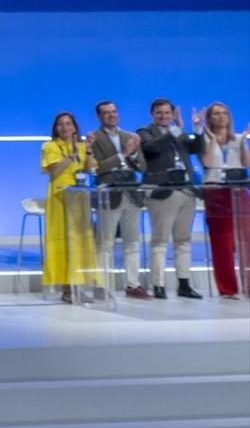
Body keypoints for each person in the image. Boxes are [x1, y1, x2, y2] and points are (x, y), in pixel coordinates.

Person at [85, 100, 150, 299]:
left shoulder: (130, 137)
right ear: (99, 116)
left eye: (113, 112)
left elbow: (142, 167)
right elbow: (96, 168)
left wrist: (132, 156)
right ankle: (101, 285)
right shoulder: (92, 139)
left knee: (132, 242)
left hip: (131, 193)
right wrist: (123, 154)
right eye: (106, 113)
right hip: (108, 194)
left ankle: (133, 285)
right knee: (105, 243)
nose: (111, 115)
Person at [140, 98, 203, 299]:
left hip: (185, 190)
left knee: (183, 240)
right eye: (159, 113)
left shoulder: (178, 132)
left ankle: (184, 284)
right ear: (152, 114)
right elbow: (153, 148)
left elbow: (195, 148)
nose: (164, 116)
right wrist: (175, 130)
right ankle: (157, 285)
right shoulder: (145, 132)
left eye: (167, 113)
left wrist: (197, 128)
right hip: (162, 192)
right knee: (160, 240)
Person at [40, 112, 98, 303]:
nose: (64, 127)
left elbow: (90, 169)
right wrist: (71, 156)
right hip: (59, 197)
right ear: (55, 128)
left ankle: (79, 284)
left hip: (79, 197)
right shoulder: (50, 146)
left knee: (80, 241)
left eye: (68, 124)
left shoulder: (82, 146)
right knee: (64, 242)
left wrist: (88, 150)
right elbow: (54, 172)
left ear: (75, 127)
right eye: (60, 124)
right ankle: (66, 287)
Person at [196, 102, 249, 299]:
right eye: (216, 114)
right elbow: (208, 163)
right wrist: (211, 141)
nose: (221, 117)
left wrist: (244, 142)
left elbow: (247, 163)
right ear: (210, 118)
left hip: (238, 190)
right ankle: (228, 288)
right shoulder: (204, 139)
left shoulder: (238, 139)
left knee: (246, 240)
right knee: (222, 242)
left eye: (224, 113)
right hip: (216, 191)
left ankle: (249, 285)